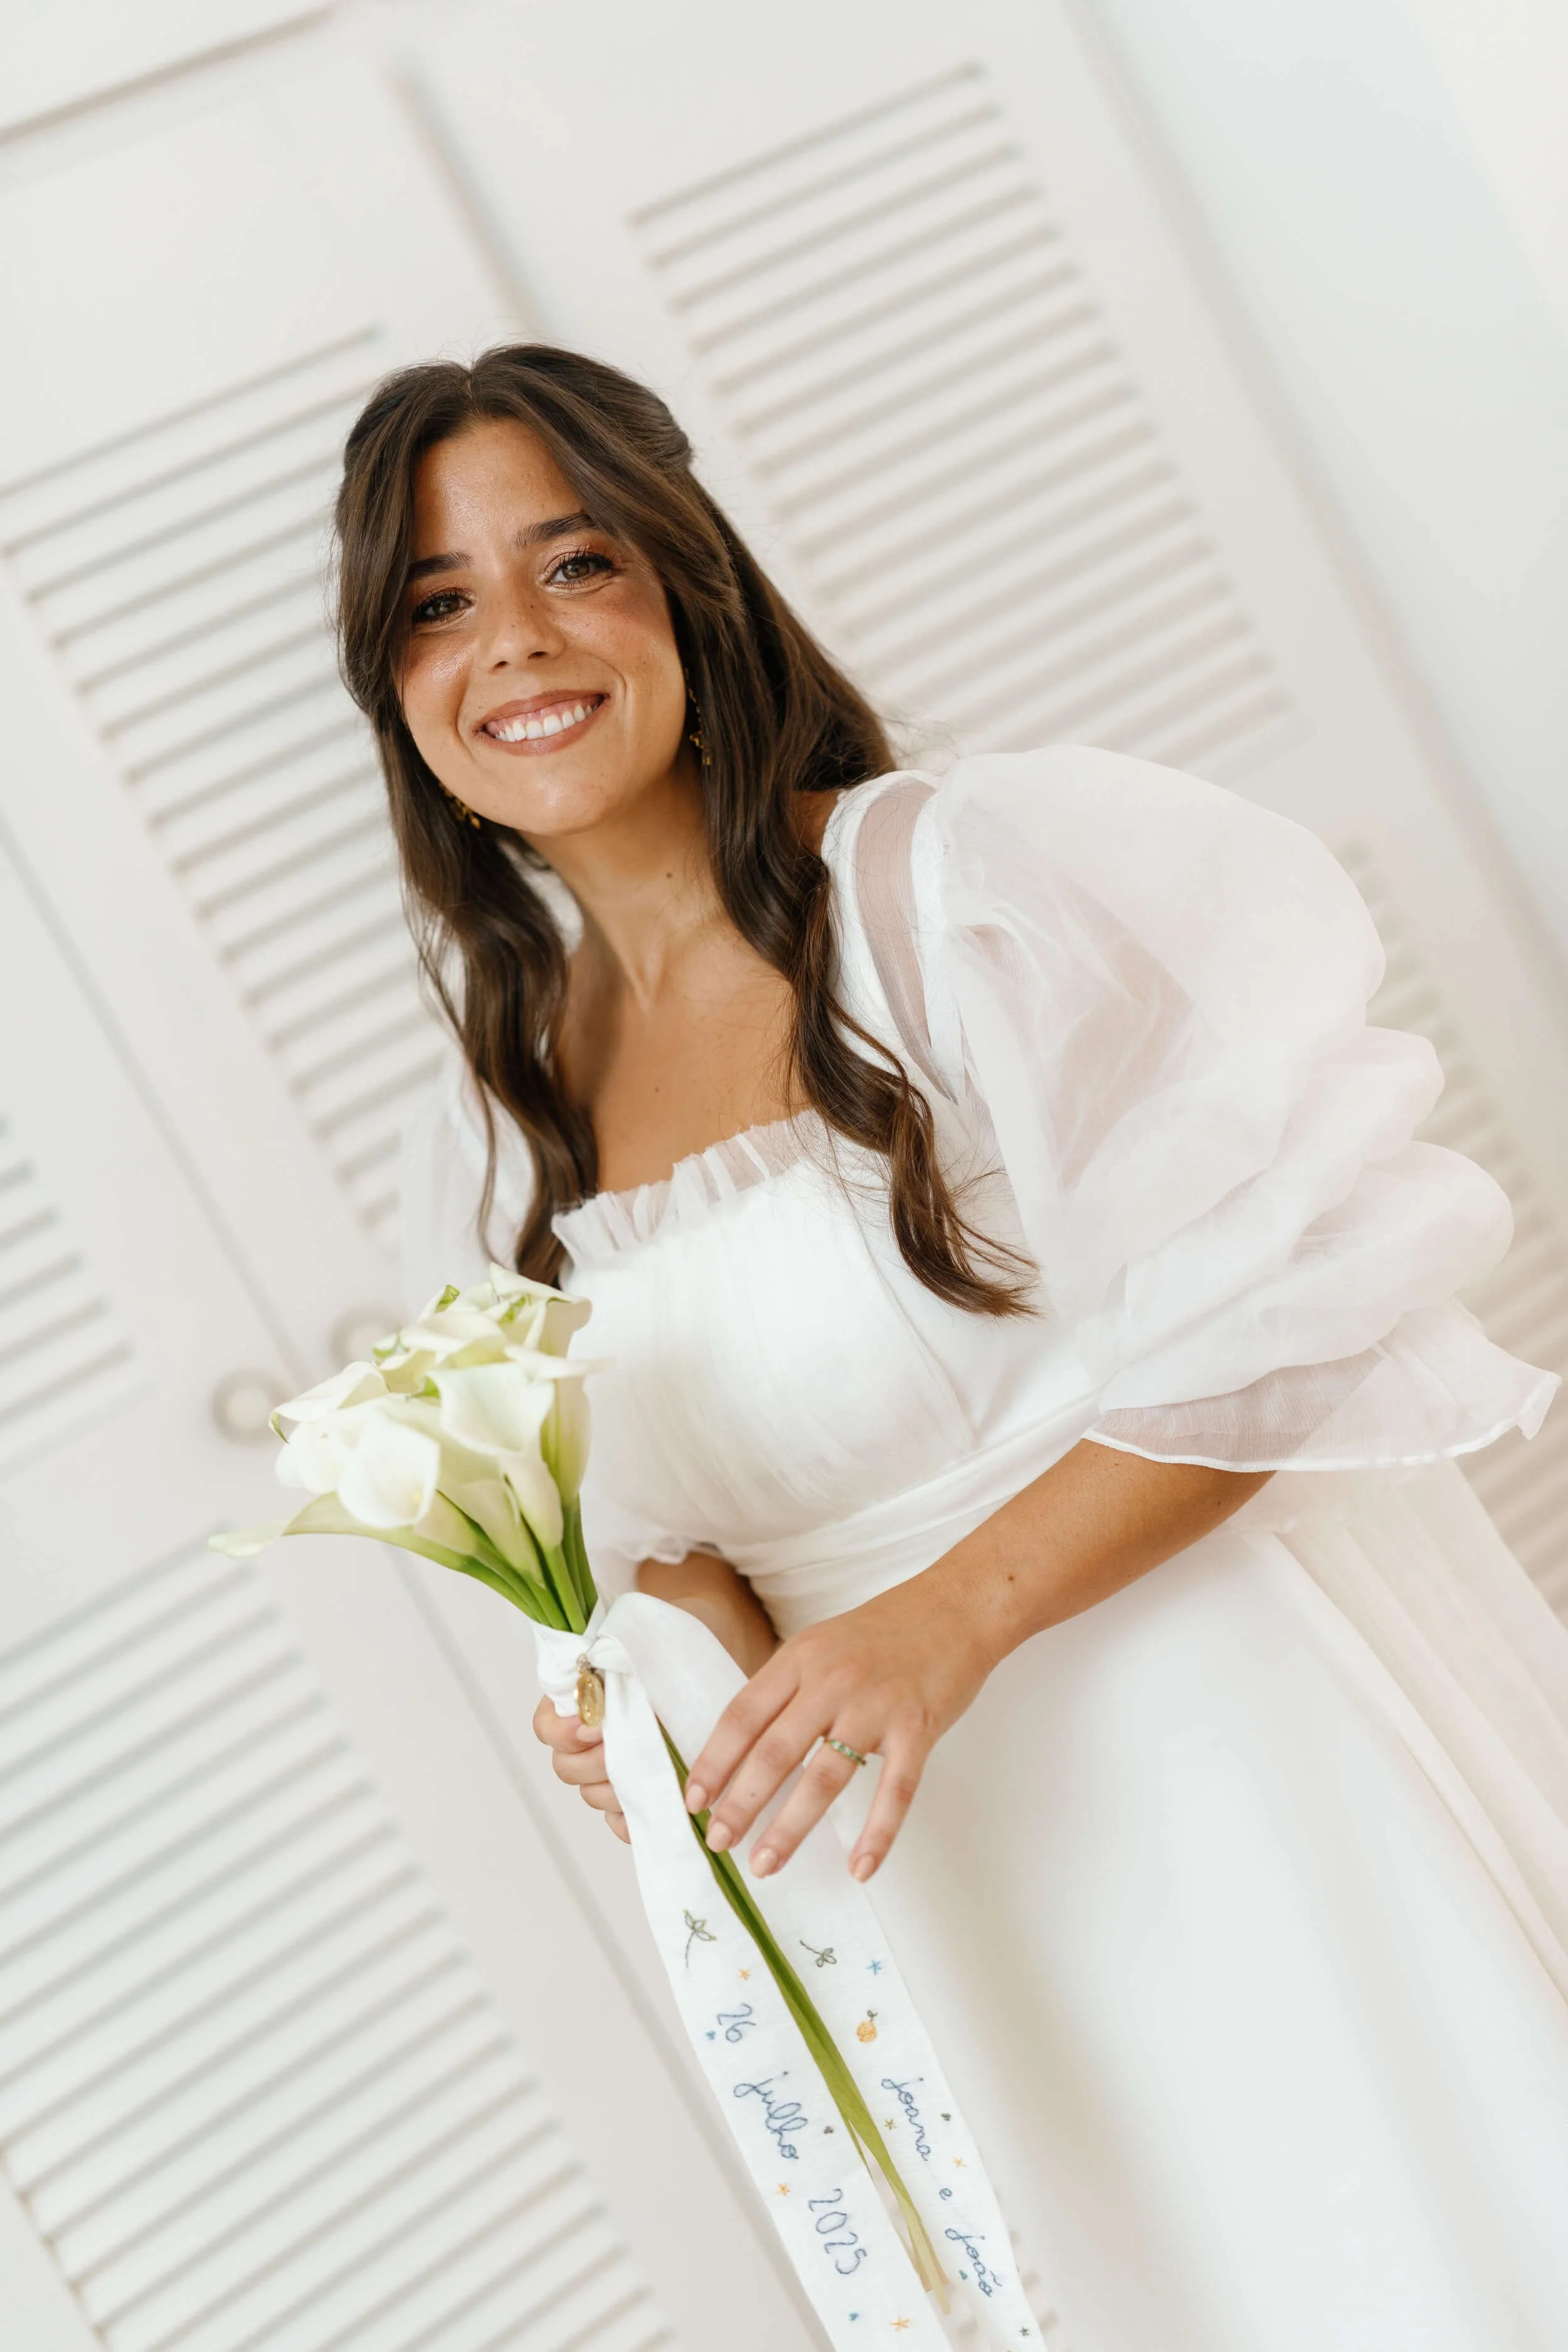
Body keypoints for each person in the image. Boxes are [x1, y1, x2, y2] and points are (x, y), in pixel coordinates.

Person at [337, 343, 1568, 2352]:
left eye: (577, 566)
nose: (518, 644)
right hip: (944, 1881)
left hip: (1241, 1758)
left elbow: (1285, 1321)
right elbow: (668, 1549)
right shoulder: (487, 1121)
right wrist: (649, 1713)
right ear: (393, 688)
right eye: (439, 602)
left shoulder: (941, 890)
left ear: (687, 588)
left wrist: (939, 1627)